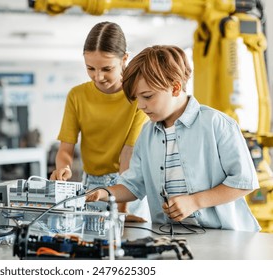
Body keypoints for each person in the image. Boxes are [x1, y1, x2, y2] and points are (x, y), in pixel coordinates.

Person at [86, 45, 261, 232]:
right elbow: (134, 184)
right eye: (137, 98)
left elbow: (244, 182)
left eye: (147, 96)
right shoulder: (147, 134)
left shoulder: (216, 124)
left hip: (223, 236)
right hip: (171, 235)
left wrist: (195, 201)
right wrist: (105, 192)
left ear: (175, 88)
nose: (141, 106)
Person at [50, 21, 149, 222]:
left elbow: (127, 156)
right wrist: (64, 169)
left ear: (124, 59)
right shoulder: (77, 96)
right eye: (90, 68)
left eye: (106, 68)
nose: (98, 76)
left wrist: (122, 210)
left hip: (127, 187)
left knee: (130, 243)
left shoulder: (137, 96)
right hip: (90, 184)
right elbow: (65, 150)